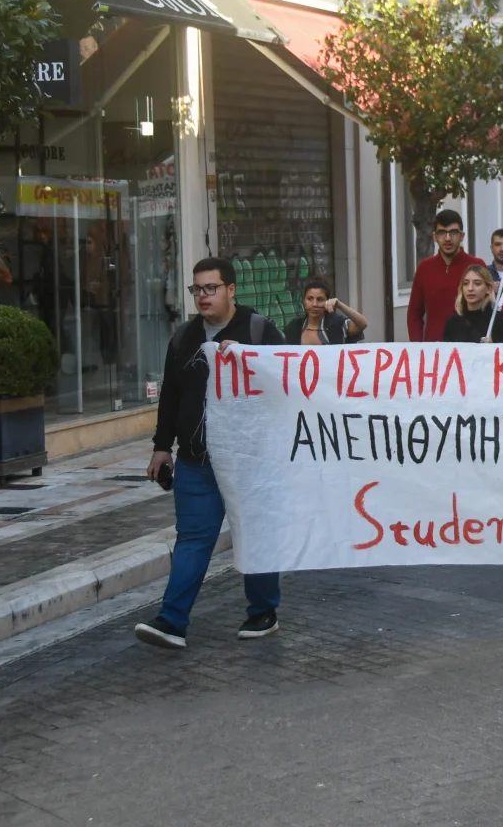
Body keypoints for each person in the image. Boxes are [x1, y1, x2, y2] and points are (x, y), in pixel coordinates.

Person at [135, 257, 285, 650]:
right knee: (193, 539)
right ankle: (171, 621)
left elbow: (288, 377)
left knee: (255, 535)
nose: (202, 296)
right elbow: (171, 395)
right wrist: (161, 448)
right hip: (196, 462)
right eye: (196, 289)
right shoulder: (184, 338)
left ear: (231, 290)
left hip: (249, 461)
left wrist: (251, 359)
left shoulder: (258, 330)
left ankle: (263, 611)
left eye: (210, 288)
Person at [407, 210, 485, 341]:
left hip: (469, 350)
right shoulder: (424, 268)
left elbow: (487, 308)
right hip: (433, 351)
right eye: (442, 233)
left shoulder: (477, 265)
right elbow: (414, 313)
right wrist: (417, 345)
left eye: (453, 232)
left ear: (461, 236)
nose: (447, 238)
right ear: (434, 237)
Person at [443, 264, 503, 343]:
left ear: (488, 289)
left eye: (477, 283)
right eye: (465, 283)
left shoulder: (500, 320)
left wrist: (495, 346)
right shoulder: (453, 322)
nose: (470, 288)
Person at [282, 278, 368, 345]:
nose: (314, 304)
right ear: (304, 301)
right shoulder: (295, 326)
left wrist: (340, 305)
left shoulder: (338, 324)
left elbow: (362, 324)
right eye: (310, 299)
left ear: (327, 301)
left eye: (320, 299)